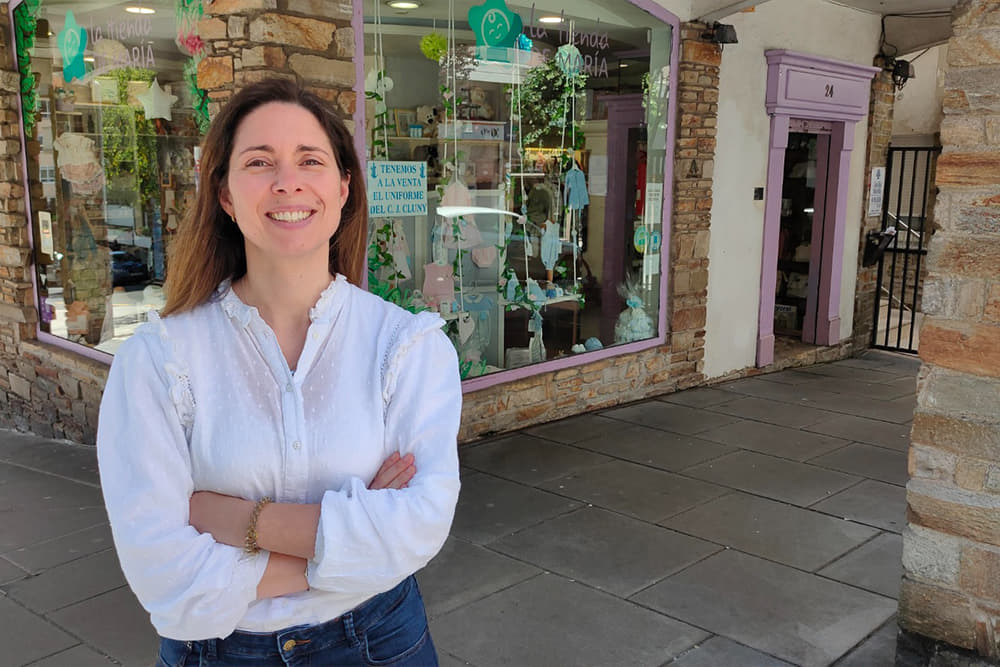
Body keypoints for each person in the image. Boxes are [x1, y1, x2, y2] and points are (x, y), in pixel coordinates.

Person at [96, 78, 461, 666]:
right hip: (214, 653)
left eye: (310, 160)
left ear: (343, 189)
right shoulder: (161, 359)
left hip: (380, 642)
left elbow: (419, 524)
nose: (287, 181)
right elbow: (164, 577)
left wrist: (240, 519)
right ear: (225, 195)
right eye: (259, 161)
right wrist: (347, 550)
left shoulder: (406, 346)